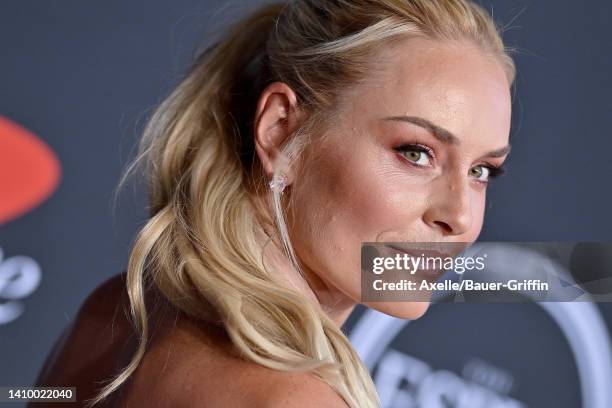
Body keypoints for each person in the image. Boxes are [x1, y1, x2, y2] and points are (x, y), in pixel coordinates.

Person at [33, 0, 515, 406]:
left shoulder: (115, 312)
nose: (460, 217)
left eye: (481, 171)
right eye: (416, 153)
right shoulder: (293, 399)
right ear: (281, 130)